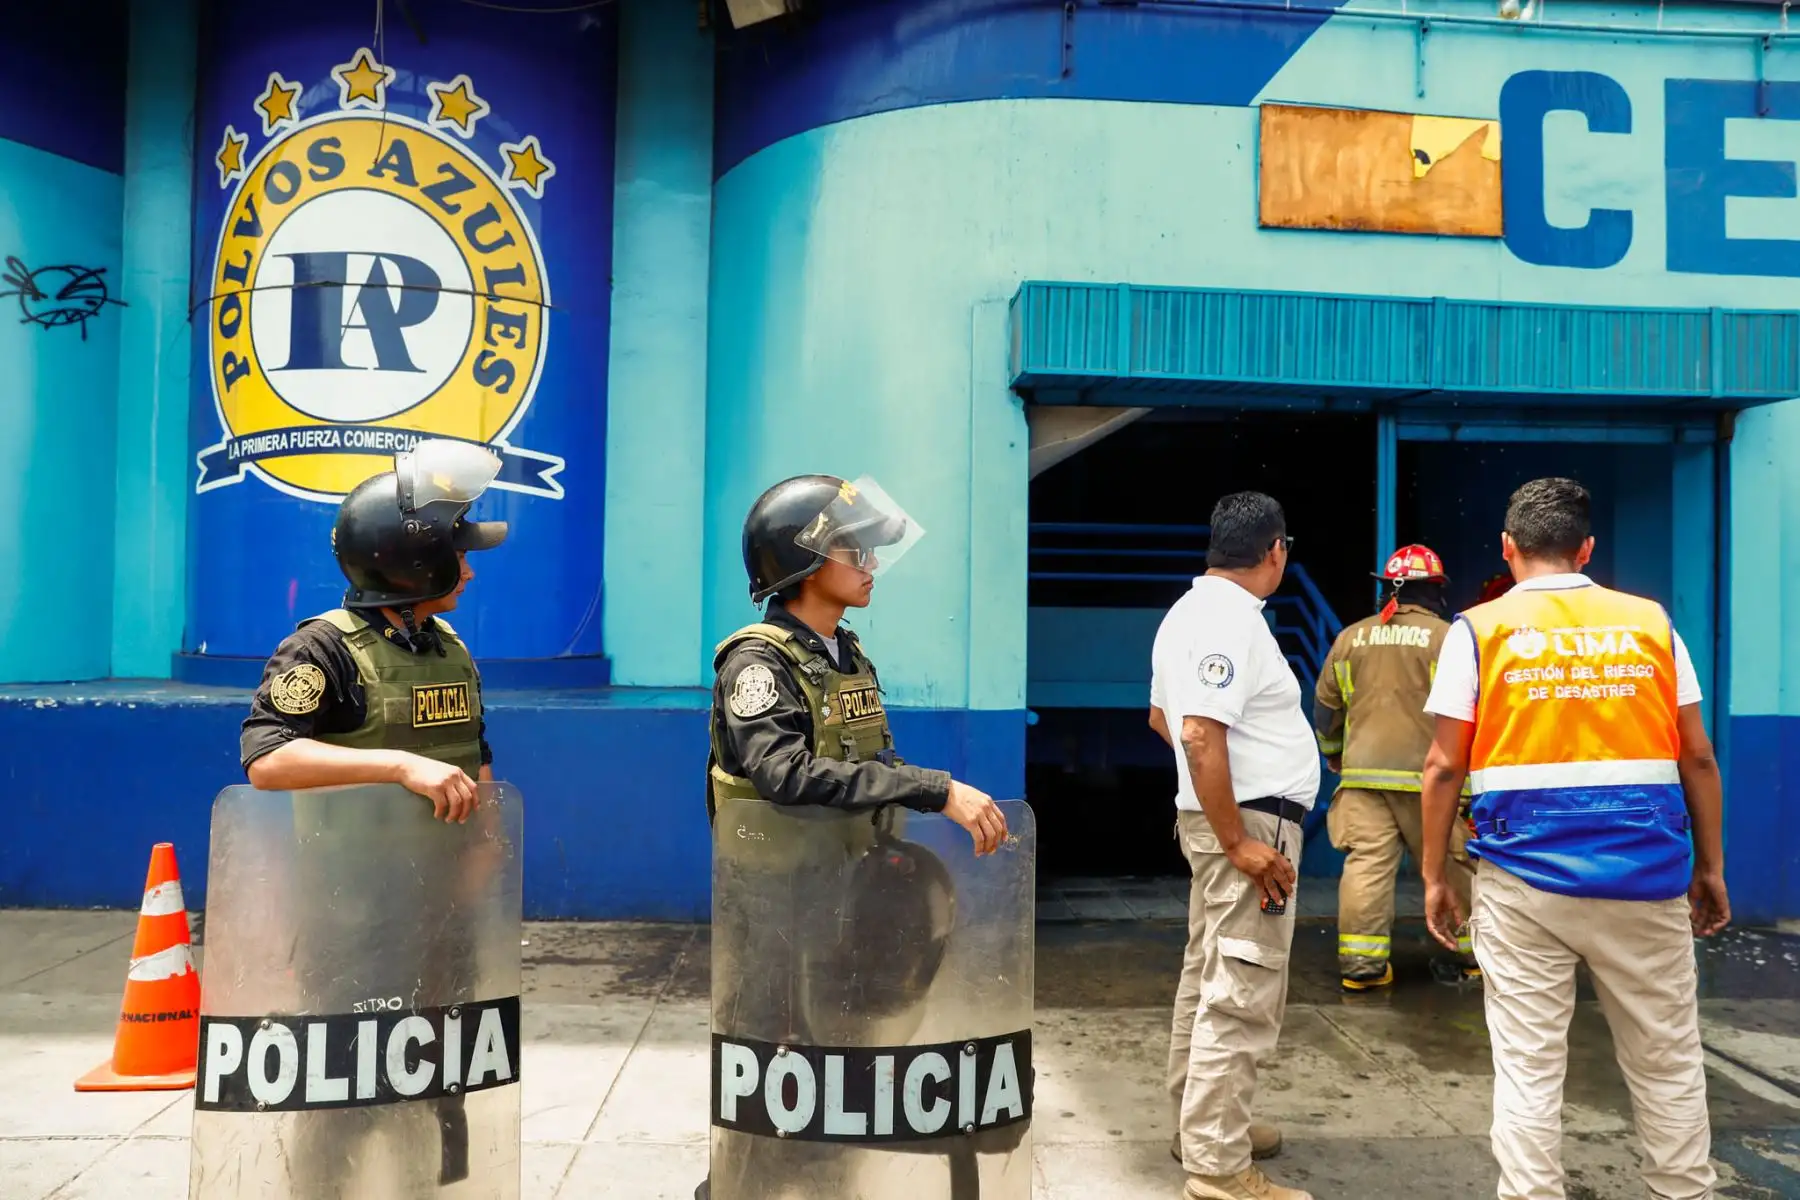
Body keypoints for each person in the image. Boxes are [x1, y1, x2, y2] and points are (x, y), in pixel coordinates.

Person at [698, 473, 1011, 1200]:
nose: (870, 566)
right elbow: (786, 774)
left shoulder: (845, 654)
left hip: (844, 900)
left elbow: (873, 761)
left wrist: (927, 801)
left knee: (841, 1066)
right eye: (853, 551)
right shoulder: (758, 664)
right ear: (802, 562)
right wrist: (934, 789)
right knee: (769, 1074)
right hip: (775, 913)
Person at [1419, 477, 1731, 1200]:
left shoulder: (1480, 631)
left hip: (1521, 880)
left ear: (1508, 547)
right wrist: (1710, 867)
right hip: (1646, 876)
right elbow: (1698, 757)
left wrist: (1434, 875)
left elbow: (1442, 766)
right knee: (1667, 1061)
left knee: (1528, 1068)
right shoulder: (1650, 625)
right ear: (1587, 549)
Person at [238, 438, 512, 1191]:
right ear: (411, 562)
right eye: (459, 553)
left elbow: (475, 754)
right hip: (352, 919)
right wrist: (397, 766)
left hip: (443, 910)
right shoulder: (322, 649)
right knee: (346, 1088)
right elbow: (266, 758)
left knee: (444, 1082)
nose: (470, 568)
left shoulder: (446, 647)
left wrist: (481, 857)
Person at [1148, 491, 1317, 1200]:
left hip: (1223, 819)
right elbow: (1196, 731)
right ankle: (1218, 1167)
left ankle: (1202, 1130)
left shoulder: (1187, 614)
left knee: (1209, 976)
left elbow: (1161, 719)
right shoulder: (1230, 621)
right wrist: (1238, 838)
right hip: (1247, 827)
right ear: (1274, 550)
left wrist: (1213, 800)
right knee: (1240, 993)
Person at [1313, 543, 1478, 991]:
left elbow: (1326, 707)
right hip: (1433, 783)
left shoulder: (1351, 638)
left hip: (1364, 779)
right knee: (1453, 864)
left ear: (1390, 590)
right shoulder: (1450, 639)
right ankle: (1471, 957)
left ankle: (1362, 967)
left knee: (1366, 867)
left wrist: (1334, 752)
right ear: (1436, 590)